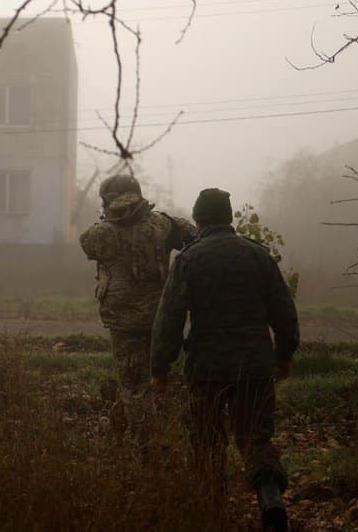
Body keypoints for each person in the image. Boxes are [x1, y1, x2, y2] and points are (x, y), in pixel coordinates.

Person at [150, 188, 299, 532]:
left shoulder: (188, 259)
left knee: (207, 440)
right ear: (229, 218)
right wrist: (285, 353)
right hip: (255, 365)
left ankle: (212, 511)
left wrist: (160, 367)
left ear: (199, 220)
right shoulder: (259, 256)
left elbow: (168, 318)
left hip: (207, 368)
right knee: (256, 439)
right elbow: (284, 310)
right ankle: (271, 499)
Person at [79, 174, 195, 404]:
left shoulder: (100, 233)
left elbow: (87, 245)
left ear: (111, 200)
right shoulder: (162, 224)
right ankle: (155, 428)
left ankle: (141, 437)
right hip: (160, 317)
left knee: (132, 386)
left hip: (123, 322)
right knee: (162, 377)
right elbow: (192, 234)